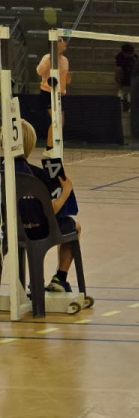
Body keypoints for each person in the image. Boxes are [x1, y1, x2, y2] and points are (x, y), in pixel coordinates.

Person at [7, 120, 82, 293]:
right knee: (74, 226)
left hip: (8, 230)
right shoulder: (36, 175)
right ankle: (60, 278)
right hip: (36, 230)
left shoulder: (4, 171)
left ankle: (33, 281)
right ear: (30, 143)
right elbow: (50, 210)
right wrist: (66, 191)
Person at [36, 37, 72, 158]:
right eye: (60, 41)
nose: (64, 43)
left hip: (60, 94)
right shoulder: (47, 58)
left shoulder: (65, 60)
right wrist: (51, 59)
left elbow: (66, 80)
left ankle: (55, 146)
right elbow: (39, 71)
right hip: (47, 93)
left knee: (60, 122)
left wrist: (68, 79)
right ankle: (49, 148)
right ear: (54, 44)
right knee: (55, 120)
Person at [115, 43, 137, 112]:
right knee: (124, 94)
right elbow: (119, 70)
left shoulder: (135, 57)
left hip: (132, 79)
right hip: (125, 79)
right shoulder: (120, 57)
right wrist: (119, 83)